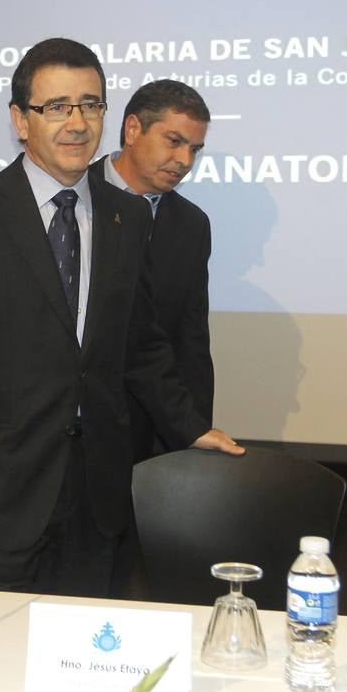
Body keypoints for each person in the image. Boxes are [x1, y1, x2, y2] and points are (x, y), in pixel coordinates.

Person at [0, 38, 243, 597]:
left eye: (91, 105)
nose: (78, 122)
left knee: (88, 662)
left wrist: (189, 427)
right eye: (57, 106)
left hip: (98, 493)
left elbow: (143, 345)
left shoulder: (127, 217)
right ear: (20, 120)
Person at [91, 80, 213, 461]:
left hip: (148, 431)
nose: (185, 161)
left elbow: (190, 341)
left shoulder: (192, 225)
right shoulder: (70, 196)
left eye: (194, 149)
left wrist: (193, 432)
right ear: (132, 129)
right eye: (173, 141)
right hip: (65, 429)